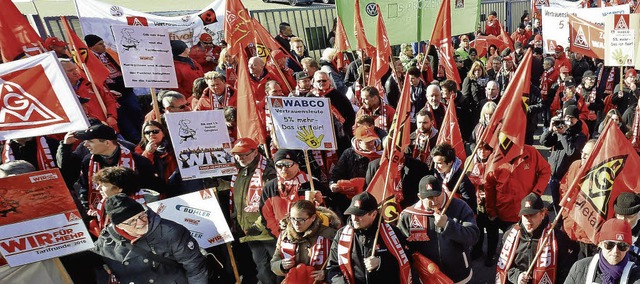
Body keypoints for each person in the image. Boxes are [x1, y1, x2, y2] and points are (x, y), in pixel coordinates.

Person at [93, 194, 208, 283]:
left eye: (142, 216)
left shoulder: (171, 232)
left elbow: (196, 269)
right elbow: (90, 263)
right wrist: (103, 266)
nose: (141, 223)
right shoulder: (106, 242)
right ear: (119, 226)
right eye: (132, 221)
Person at [57, 124, 160, 211]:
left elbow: (152, 190)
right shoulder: (88, 161)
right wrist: (65, 146)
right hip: (100, 213)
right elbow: (82, 186)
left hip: (136, 212)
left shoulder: (139, 161)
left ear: (107, 143)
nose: (85, 144)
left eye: (91, 141)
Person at [397, 175, 479, 283]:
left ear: (442, 191)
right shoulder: (409, 215)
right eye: (429, 197)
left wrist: (447, 225)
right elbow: (402, 247)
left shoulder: (460, 207)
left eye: (437, 195)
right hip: (429, 277)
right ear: (420, 196)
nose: (435, 201)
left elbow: (473, 237)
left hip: (459, 277)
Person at [325, 192, 412, 284]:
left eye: (359, 214)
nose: (354, 218)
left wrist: (381, 262)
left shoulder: (393, 232)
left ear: (373, 214)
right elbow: (332, 269)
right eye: (352, 213)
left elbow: (406, 261)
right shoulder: (341, 235)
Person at [496, 193, 578, 284]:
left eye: (532, 215)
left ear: (542, 214)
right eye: (525, 216)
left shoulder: (558, 239)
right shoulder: (510, 236)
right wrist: (517, 276)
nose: (528, 220)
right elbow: (504, 266)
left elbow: (565, 272)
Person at [229, 138, 278, 284]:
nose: (240, 158)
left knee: (273, 268)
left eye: (244, 154)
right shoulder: (239, 170)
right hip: (249, 230)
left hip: (266, 231)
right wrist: (219, 185)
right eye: (237, 155)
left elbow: (272, 202)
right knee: (262, 269)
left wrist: (259, 225)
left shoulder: (268, 171)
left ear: (255, 151)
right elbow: (238, 192)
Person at [84, 34, 143, 143]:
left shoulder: (110, 53)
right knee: (122, 117)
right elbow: (91, 79)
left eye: (103, 43)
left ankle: (143, 133)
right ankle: (135, 140)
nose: (103, 46)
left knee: (135, 109)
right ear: (91, 47)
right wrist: (106, 90)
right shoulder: (87, 60)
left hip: (125, 88)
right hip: (109, 91)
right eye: (100, 44)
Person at [260, 149, 327, 238]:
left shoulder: (311, 183)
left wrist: (320, 202)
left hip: (310, 236)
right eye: (279, 165)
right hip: (283, 236)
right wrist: (280, 235)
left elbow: (326, 212)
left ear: (297, 165)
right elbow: (266, 215)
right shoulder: (270, 187)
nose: (283, 169)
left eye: (288, 165)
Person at [270, 200, 338, 282]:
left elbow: (341, 265)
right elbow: (274, 263)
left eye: (301, 220)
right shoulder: (285, 235)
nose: (296, 223)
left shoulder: (330, 235)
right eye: (292, 219)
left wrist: (326, 274)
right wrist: (281, 265)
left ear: (313, 218)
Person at [540, 104, 587, 209]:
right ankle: (558, 223)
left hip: (566, 177)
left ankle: (563, 223)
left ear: (577, 119)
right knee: (556, 204)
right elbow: (543, 142)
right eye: (567, 118)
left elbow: (571, 152)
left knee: (565, 205)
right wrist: (550, 129)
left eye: (572, 118)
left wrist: (563, 134)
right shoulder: (559, 131)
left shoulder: (580, 136)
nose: (569, 120)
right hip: (554, 174)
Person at [565, 218, 640, 283]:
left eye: (622, 246)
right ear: (600, 244)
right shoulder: (580, 268)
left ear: (628, 248)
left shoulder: (636, 275)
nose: (615, 251)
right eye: (609, 245)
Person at [59, 58, 119, 130]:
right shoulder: (59, 92)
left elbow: (109, 101)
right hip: (85, 133)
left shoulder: (91, 83)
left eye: (75, 69)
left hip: (107, 126)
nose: (75, 72)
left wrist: (112, 116)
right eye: (70, 71)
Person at [88, 166, 149, 237]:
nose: (98, 188)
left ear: (119, 188)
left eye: (102, 185)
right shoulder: (105, 202)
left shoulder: (140, 206)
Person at [431, 142, 477, 212]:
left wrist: (453, 198)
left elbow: (470, 206)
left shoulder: (462, 180)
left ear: (450, 162)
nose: (435, 166)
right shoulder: (437, 173)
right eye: (435, 163)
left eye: (439, 163)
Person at [135, 121, 177, 189]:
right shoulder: (140, 149)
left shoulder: (173, 145)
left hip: (175, 182)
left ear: (163, 133)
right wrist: (148, 153)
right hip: (155, 186)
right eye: (147, 132)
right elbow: (141, 169)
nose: (151, 134)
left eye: (155, 131)